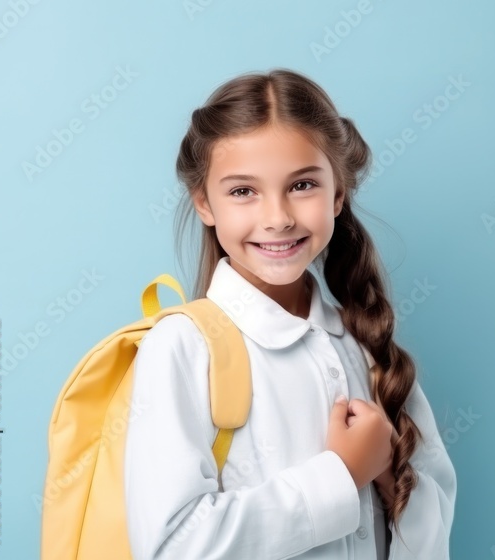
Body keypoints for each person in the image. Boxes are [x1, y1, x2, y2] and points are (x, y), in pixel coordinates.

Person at [123, 68, 456, 559]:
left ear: (338, 194)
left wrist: (390, 476)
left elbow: (433, 524)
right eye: (243, 191)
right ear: (204, 203)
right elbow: (173, 547)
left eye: (302, 185)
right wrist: (341, 476)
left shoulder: (365, 342)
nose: (277, 217)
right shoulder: (183, 347)